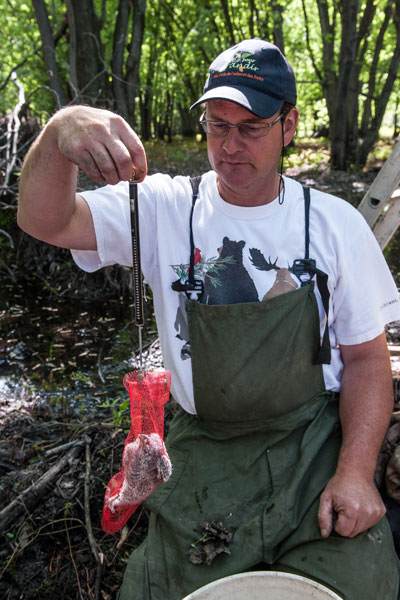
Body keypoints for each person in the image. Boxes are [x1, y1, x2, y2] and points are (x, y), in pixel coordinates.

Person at [18, 38, 400, 600]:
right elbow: (43, 220)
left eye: (251, 127)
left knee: (355, 583)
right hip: (206, 456)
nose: (230, 146)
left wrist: (356, 472)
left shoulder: (333, 226)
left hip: (311, 448)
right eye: (218, 126)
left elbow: (367, 362)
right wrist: (59, 132)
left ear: (288, 126)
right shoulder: (163, 208)